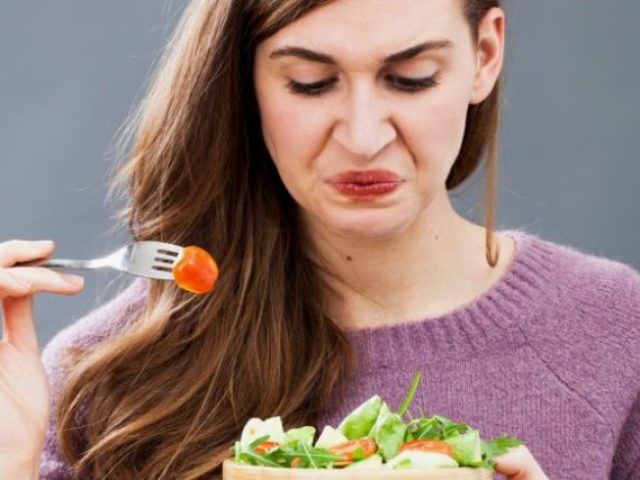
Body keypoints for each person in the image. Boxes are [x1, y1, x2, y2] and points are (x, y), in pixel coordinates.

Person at [1, 0, 638, 478]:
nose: (363, 137)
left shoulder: (616, 332)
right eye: (309, 82)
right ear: (245, 82)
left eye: (412, 76)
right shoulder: (105, 376)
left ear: (485, 55)